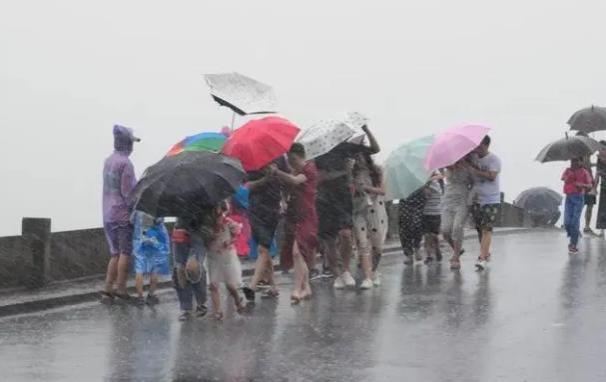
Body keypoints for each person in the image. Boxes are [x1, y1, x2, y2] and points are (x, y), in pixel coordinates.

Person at [316, 125, 380, 289]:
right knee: (329, 240)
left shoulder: (346, 148)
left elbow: (374, 149)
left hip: (343, 196)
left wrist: (367, 130)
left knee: (346, 234)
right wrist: (345, 171)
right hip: (324, 198)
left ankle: (345, 269)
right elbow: (320, 177)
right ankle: (337, 275)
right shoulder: (319, 151)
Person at [274, 143, 318, 303]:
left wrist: (277, 172)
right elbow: (289, 187)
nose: (289, 162)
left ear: (295, 156)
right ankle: (306, 287)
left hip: (307, 216)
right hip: (294, 215)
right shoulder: (295, 171)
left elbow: (294, 181)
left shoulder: (309, 168)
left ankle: (297, 288)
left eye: (290, 158)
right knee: (299, 255)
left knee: (297, 252)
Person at [101, 125, 140, 303]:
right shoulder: (126, 164)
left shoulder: (108, 160)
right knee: (125, 252)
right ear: (126, 144)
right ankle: (121, 288)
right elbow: (128, 191)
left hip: (108, 211)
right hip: (122, 213)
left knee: (115, 253)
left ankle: (107, 289)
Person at [242, 157, 288, 300]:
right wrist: (265, 179)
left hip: (272, 209)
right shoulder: (249, 162)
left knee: (263, 248)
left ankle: (252, 286)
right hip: (255, 210)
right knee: (265, 249)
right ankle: (273, 286)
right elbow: (247, 185)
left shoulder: (280, 158)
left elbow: (286, 180)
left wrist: (276, 173)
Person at [201, 203, 245, 320]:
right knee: (213, 284)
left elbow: (237, 234)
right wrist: (210, 237)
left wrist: (229, 242)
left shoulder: (228, 222)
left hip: (227, 256)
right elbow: (204, 241)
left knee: (230, 284)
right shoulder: (206, 226)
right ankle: (218, 311)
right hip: (213, 256)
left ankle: (237, 300)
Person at [352, 150, 387, 288]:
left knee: (377, 246)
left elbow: (383, 191)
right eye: (356, 158)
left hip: (376, 209)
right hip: (359, 209)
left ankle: (374, 271)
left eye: (360, 156)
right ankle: (367, 277)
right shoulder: (352, 173)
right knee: (363, 243)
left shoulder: (377, 170)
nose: (358, 160)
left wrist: (366, 188)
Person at [466, 135, 502, 270]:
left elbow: (492, 177)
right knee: (479, 229)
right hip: (476, 198)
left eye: (479, 146)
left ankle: (481, 258)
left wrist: (474, 171)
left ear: (486, 145)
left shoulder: (494, 160)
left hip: (491, 199)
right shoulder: (472, 157)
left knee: (487, 228)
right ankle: (485, 253)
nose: (477, 148)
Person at [172, 215, 208, 321]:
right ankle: (186, 308)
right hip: (180, 232)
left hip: (198, 233)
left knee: (194, 268)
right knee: (180, 270)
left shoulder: (204, 200)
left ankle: (201, 302)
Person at [132, 211, 170, 306]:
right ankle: (150, 295)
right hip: (154, 240)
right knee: (154, 269)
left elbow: (131, 220)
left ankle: (140, 297)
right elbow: (159, 221)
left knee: (139, 269)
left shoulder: (138, 208)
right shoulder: (157, 208)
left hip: (140, 240)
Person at [440, 162, 473, 270]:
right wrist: (447, 167)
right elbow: (441, 175)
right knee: (445, 230)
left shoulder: (468, 164)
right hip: (448, 198)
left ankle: (456, 258)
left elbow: (474, 182)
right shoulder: (446, 165)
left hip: (462, 199)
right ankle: (457, 249)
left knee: (457, 227)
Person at [561, 158, 593, 254]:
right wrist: (567, 177)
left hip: (579, 198)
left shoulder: (584, 172)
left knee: (575, 221)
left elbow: (590, 185)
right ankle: (574, 234)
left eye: (576, 161)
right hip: (569, 198)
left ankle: (573, 244)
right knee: (567, 222)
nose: (574, 163)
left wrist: (581, 184)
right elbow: (563, 178)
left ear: (581, 162)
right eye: (572, 161)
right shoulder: (568, 170)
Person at [398, 188, 426, 265]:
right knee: (405, 229)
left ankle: (417, 246)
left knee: (417, 225)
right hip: (405, 201)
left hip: (419, 201)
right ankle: (409, 254)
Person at [422, 173, 444, 264]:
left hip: (435, 212)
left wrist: (425, 186)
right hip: (426, 212)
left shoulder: (435, 183)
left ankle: (437, 248)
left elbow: (427, 195)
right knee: (427, 235)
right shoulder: (427, 183)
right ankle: (429, 255)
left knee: (432, 234)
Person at [582, 155, 598, 235]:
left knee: (590, 206)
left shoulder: (587, 157)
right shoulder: (580, 157)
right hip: (583, 185)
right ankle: (585, 226)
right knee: (581, 206)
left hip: (590, 185)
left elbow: (589, 164)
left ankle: (587, 226)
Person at [595, 142, 606, 235]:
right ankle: (602, 229)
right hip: (603, 186)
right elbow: (597, 174)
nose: (600, 151)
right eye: (599, 149)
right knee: (602, 208)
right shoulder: (599, 160)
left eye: (602, 149)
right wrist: (594, 188)